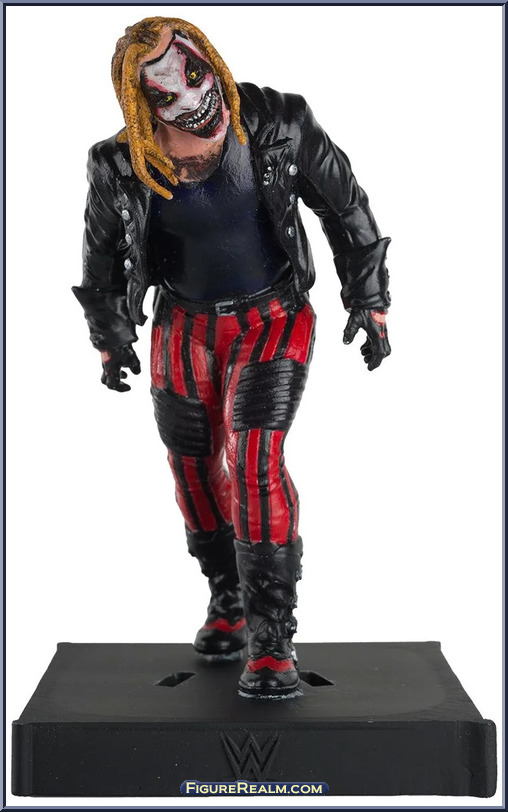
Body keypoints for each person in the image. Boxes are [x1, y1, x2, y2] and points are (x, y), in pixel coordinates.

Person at [73, 15, 391, 700]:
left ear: (211, 60)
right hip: (182, 325)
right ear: (141, 104)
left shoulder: (279, 123)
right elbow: (102, 253)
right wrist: (110, 332)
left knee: (254, 458)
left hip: (272, 317)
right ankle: (230, 596)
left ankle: (273, 634)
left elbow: (344, 204)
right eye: (167, 91)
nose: (193, 97)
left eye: (195, 72)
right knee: (191, 466)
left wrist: (369, 296)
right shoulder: (119, 163)